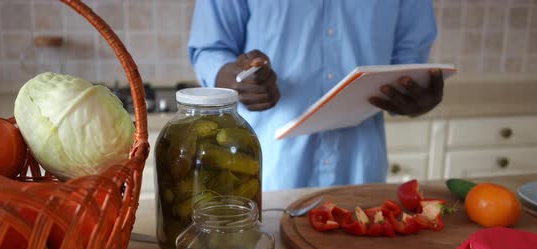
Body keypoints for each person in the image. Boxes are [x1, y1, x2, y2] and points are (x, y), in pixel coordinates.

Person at [188, 0, 443, 191]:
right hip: (265, 172)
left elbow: (408, 62)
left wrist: (415, 94)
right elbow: (210, 49)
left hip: (360, 173)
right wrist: (234, 80)